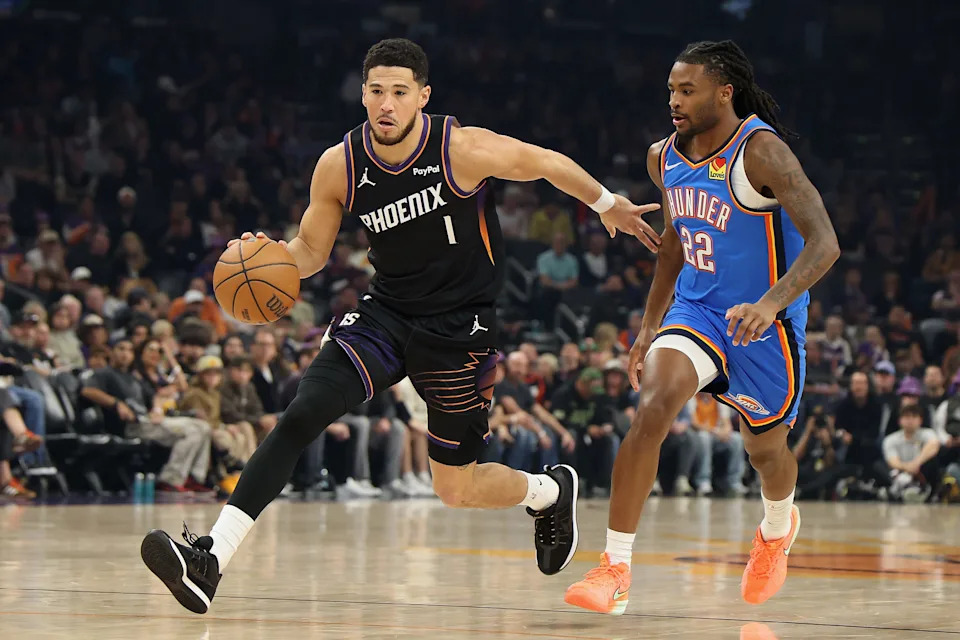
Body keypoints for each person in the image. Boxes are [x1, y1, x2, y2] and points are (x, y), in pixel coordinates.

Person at [140, 37, 661, 614]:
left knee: (455, 488)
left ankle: (548, 491)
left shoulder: (460, 148)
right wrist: (270, 257)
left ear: (422, 97)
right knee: (301, 414)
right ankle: (211, 558)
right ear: (363, 94)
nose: (386, 104)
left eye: (399, 93)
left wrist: (606, 202)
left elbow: (544, 163)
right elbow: (311, 250)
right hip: (385, 313)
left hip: (458, 328)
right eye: (377, 92)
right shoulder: (340, 164)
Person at [565, 40, 840, 615]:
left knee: (765, 452)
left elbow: (825, 244)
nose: (674, 100)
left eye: (686, 90)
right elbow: (673, 247)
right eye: (671, 89)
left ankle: (775, 527)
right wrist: (647, 329)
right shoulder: (661, 156)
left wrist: (771, 303)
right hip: (696, 312)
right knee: (653, 407)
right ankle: (614, 567)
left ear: (724, 91)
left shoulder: (763, 152)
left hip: (764, 324)